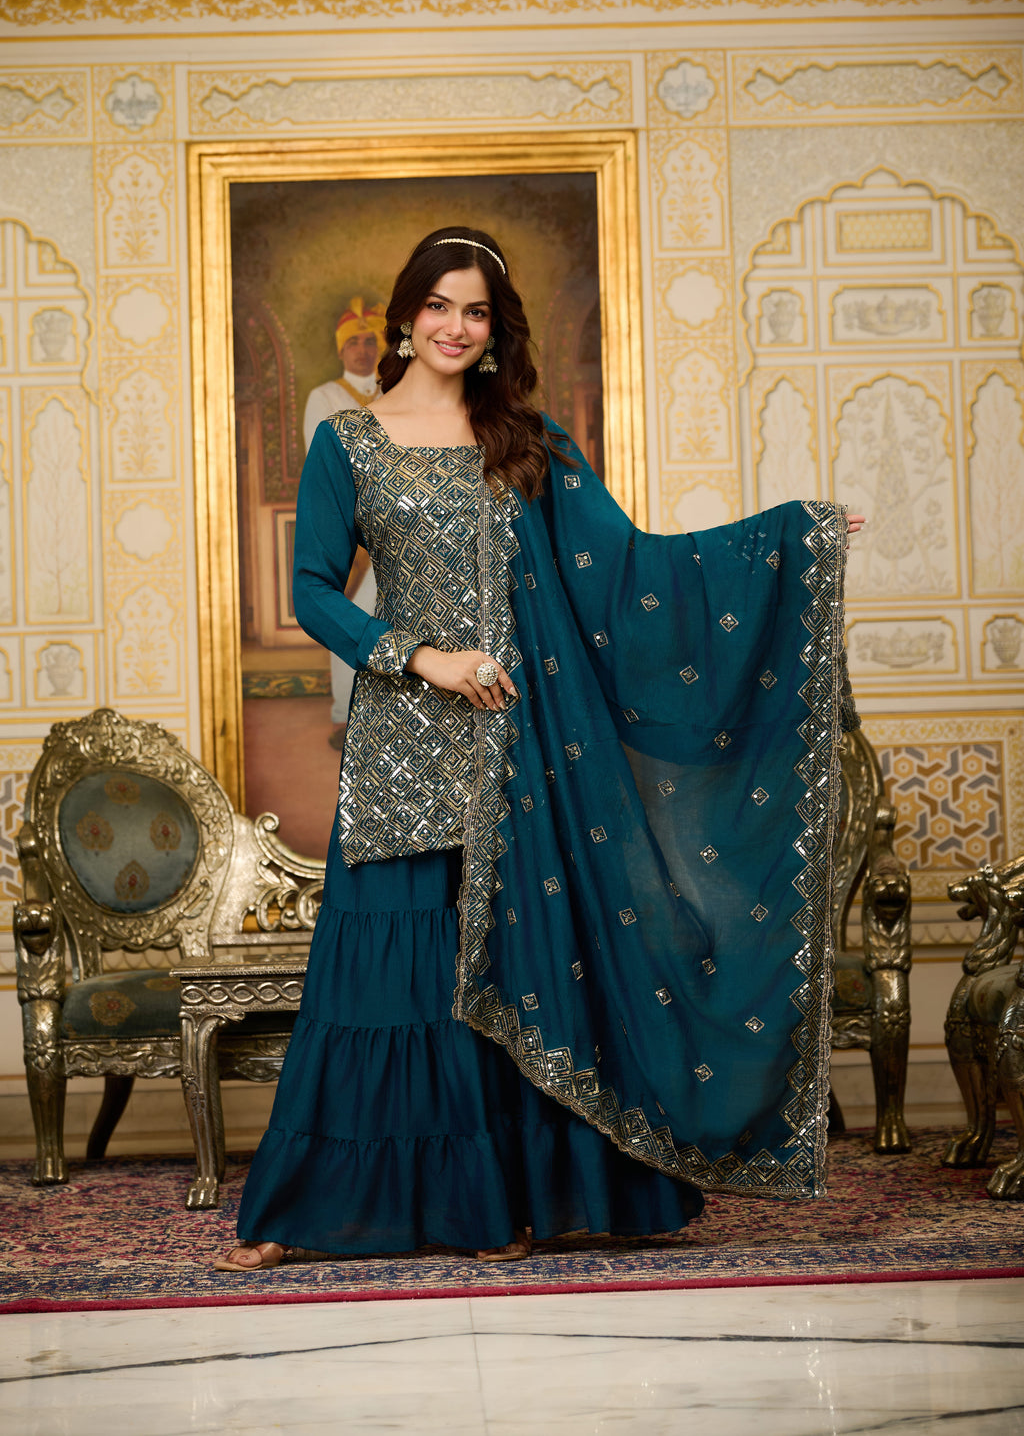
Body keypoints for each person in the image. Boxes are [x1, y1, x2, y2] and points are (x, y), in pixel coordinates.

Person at [216, 226, 865, 1271]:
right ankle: (306, 1210)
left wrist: (793, 538)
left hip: (524, 749)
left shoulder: (528, 440)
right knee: (383, 982)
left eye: (475, 311)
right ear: (404, 314)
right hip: (403, 746)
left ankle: (517, 1200)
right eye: (437, 306)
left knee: (525, 965)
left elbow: (636, 572)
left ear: (494, 327)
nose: (454, 327)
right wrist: (418, 656)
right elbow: (309, 592)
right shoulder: (348, 442)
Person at [302, 297, 387, 749]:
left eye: (369, 340)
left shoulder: (395, 392)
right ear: (340, 350)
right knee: (348, 616)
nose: (361, 349)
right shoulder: (325, 397)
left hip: (396, 522)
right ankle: (344, 713)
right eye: (353, 342)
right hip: (350, 525)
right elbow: (325, 466)